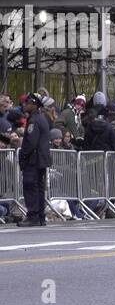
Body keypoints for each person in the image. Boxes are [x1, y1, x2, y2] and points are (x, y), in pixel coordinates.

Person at [17, 94, 53, 227]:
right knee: (38, 187)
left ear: (35, 105)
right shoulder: (41, 118)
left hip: (34, 159)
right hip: (40, 159)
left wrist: (23, 156)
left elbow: (31, 142)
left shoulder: (34, 120)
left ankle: (33, 215)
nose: (25, 105)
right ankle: (39, 216)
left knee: (30, 186)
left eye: (28, 103)